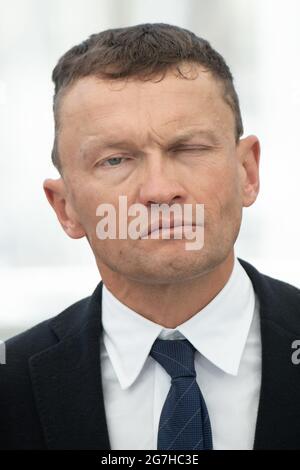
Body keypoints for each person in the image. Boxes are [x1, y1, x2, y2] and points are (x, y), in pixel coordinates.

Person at [0, 23, 299, 450]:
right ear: (65, 208)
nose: (159, 191)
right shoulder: (10, 387)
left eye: (190, 149)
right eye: (115, 159)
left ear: (247, 172)